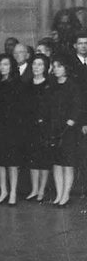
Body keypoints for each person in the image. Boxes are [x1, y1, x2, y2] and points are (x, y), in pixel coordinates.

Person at [0, 54, 27, 206]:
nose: (2, 67)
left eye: (5, 64)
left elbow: (22, 108)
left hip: (13, 128)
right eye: (0, 65)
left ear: (11, 66)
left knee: (12, 162)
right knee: (0, 161)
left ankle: (13, 192)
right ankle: (3, 190)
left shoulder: (18, 84)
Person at [47, 55, 82, 206]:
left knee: (67, 163)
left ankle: (65, 195)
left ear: (66, 68)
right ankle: (58, 193)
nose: (56, 69)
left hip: (68, 129)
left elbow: (78, 106)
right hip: (54, 128)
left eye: (59, 66)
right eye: (54, 67)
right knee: (56, 163)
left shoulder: (73, 86)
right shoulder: (52, 85)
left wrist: (72, 119)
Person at [25, 53, 53, 202]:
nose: (36, 67)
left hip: (45, 128)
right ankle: (34, 189)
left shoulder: (50, 85)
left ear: (46, 67)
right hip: (30, 127)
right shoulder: (27, 84)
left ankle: (42, 190)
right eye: (34, 64)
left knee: (44, 160)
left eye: (40, 64)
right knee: (33, 159)